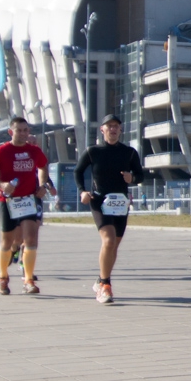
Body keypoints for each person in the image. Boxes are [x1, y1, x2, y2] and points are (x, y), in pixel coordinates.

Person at [75, 114, 145, 304]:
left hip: (120, 203)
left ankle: (100, 279)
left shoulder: (129, 152)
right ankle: (105, 285)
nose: (113, 129)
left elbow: (140, 175)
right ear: (102, 130)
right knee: (108, 240)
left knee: (113, 245)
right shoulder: (93, 151)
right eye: (109, 126)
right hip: (99, 201)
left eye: (116, 126)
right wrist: (82, 191)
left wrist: (133, 178)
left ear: (120, 130)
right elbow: (78, 171)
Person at [0, 117, 55, 295]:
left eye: (25, 130)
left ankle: (28, 280)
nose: (23, 134)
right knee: (7, 241)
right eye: (19, 130)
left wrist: (42, 185)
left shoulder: (34, 151)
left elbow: (43, 167)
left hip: (28, 200)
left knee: (30, 239)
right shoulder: (1, 151)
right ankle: (3, 277)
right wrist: (1, 185)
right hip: (8, 201)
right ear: (11, 132)